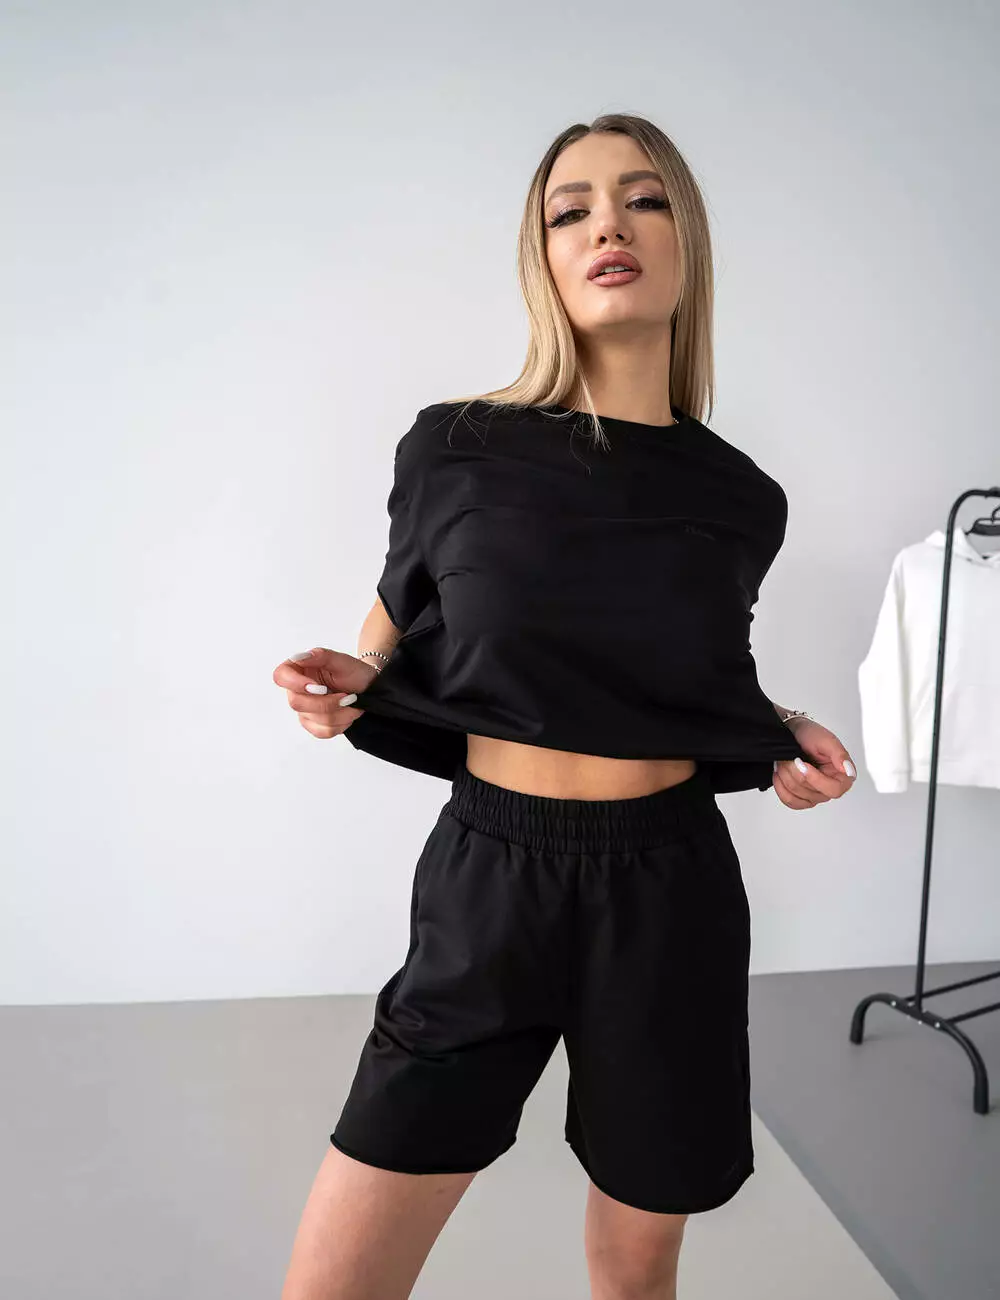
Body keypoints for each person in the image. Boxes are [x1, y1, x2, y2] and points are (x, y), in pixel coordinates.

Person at [273, 113, 857, 1300]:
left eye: (642, 200)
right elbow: (391, 627)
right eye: (569, 210)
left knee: (636, 1273)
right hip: (492, 875)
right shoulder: (455, 446)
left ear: (685, 240)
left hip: (671, 890)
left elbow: (688, 671)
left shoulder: (741, 496)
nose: (606, 227)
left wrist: (779, 733)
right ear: (540, 256)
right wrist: (347, 685)